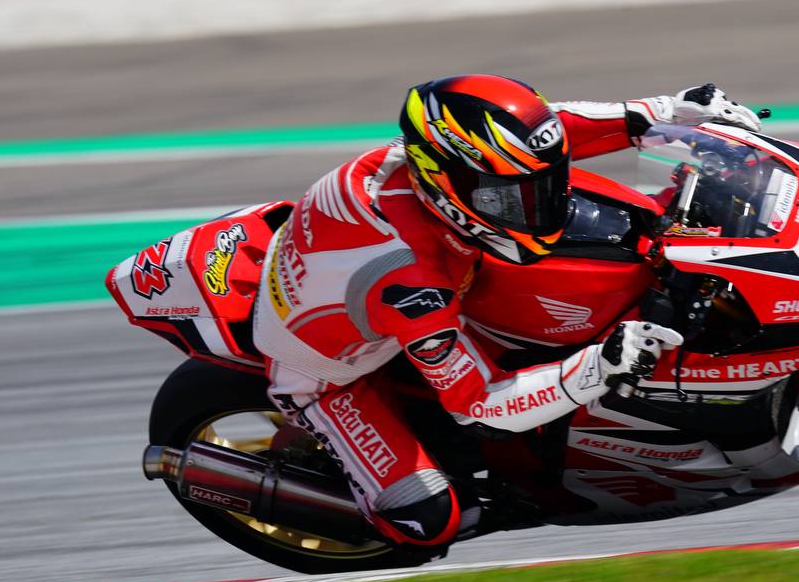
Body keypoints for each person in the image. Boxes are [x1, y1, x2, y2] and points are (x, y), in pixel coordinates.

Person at [252, 75, 761, 547]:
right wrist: (598, 367)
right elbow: (478, 402)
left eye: (542, 186)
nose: (541, 205)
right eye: (511, 198)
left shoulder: (445, 164)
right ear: (447, 184)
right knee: (427, 521)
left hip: (362, 289)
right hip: (328, 375)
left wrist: (670, 112)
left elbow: (552, 132)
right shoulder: (410, 281)